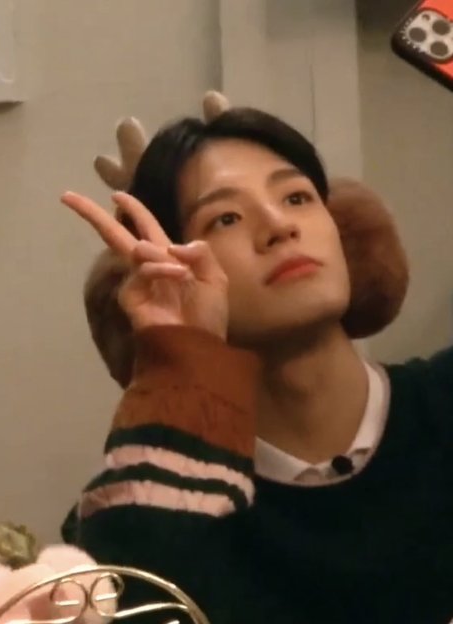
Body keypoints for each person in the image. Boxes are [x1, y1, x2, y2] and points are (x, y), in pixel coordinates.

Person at [60, 93, 453, 624]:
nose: (279, 225)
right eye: (225, 218)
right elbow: (137, 597)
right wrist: (180, 356)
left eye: (297, 197)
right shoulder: (153, 502)